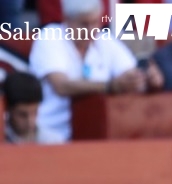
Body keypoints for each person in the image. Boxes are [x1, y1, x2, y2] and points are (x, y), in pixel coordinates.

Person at [28, 0, 159, 141]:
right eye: (84, 24)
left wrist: (145, 78)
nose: (91, 30)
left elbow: (130, 73)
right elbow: (61, 85)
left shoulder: (104, 40)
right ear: (67, 20)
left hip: (94, 133)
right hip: (49, 132)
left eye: (95, 22)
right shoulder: (50, 36)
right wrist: (110, 86)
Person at [3, 70, 65, 143]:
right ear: (8, 109)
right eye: (23, 115)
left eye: (35, 112)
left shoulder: (54, 141)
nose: (30, 122)